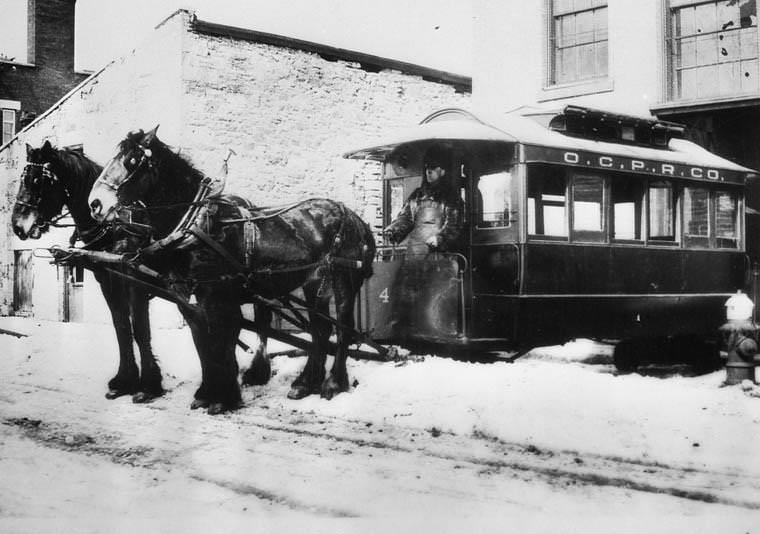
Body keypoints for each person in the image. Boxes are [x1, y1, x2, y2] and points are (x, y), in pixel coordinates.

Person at [382, 145, 463, 254]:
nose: (428, 171)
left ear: (443, 171)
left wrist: (440, 238)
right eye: (427, 167)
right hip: (414, 247)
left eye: (434, 167)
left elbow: (453, 226)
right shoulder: (417, 195)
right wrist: (394, 229)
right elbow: (405, 217)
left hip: (440, 253)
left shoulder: (451, 197)